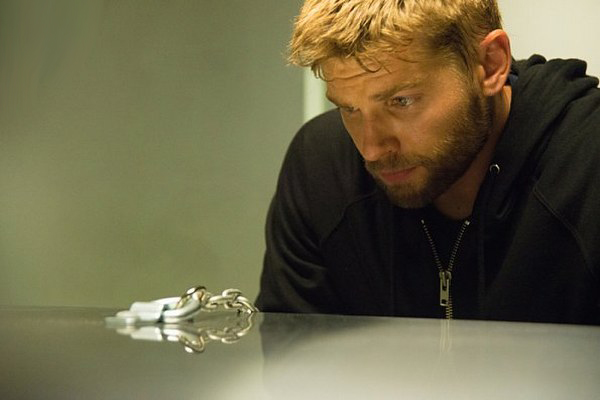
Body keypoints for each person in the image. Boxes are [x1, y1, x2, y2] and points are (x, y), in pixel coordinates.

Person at [256, 0, 600, 324]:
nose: (371, 149)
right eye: (350, 108)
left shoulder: (588, 165)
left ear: (490, 64)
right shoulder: (322, 168)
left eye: (401, 101)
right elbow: (293, 358)